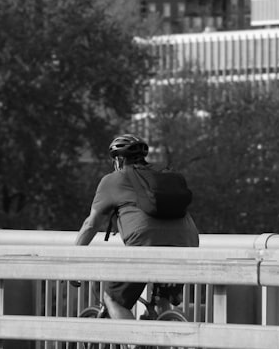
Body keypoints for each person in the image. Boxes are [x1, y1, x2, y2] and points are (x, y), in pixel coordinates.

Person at [75, 133, 199, 320]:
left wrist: (73, 260)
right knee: (160, 301)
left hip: (146, 246)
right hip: (187, 244)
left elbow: (91, 224)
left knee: (114, 300)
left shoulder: (113, 179)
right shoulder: (160, 176)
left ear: (119, 160)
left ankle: (135, 342)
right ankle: (168, 332)